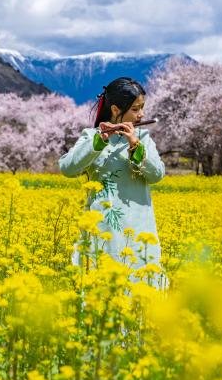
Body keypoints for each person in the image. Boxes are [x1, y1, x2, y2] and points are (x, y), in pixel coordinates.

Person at [58, 77, 169, 290]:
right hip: (102, 229)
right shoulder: (92, 137)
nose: (141, 115)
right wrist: (100, 141)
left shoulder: (143, 137)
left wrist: (135, 146)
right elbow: (68, 168)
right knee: (101, 294)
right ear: (116, 109)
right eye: (136, 109)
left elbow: (157, 175)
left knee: (139, 293)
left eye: (142, 108)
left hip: (138, 229)